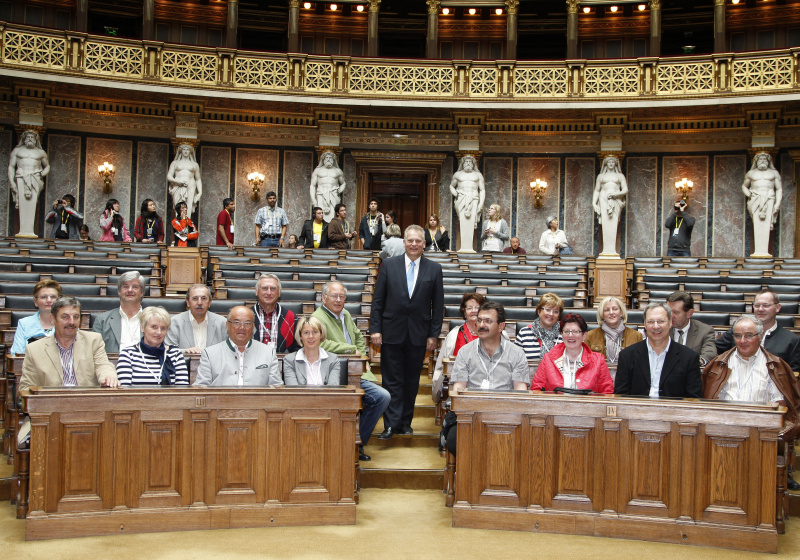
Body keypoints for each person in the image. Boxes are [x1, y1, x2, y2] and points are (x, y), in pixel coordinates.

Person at [704, 314, 800, 489]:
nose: (743, 341)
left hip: (760, 436)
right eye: (738, 336)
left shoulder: (775, 366)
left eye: (749, 335)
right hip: (722, 434)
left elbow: (781, 410)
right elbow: (707, 405)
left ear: (760, 336)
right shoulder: (718, 365)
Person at [370, 224, 444, 439]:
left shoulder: (434, 269)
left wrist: (433, 334)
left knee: (412, 379)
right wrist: (375, 329)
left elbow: (437, 307)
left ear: (424, 244)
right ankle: (391, 424)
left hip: (419, 334)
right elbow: (378, 301)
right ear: (404, 242)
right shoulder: (389, 265)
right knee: (391, 379)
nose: (413, 244)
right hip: (391, 331)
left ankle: (405, 422)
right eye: (410, 240)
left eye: (417, 241)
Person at [313, 281, 390, 461]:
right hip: (335, 374)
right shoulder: (318, 318)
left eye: (342, 297)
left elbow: (358, 337)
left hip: (355, 371)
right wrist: (349, 349)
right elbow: (321, 343)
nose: (338, 300)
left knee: (382, 397)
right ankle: (349, 444)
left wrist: (362, 357)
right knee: (379, 397)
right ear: (324, 297)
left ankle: (354, 444)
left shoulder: (345, 314)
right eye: (334, 296)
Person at [443, 301, 529, 455]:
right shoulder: (465, 352)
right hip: (471, 415)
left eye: (488, 321)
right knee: (455, 440)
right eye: (480, 320)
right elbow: (458, 391)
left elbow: (520, 393)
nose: (482, 325)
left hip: (505, 417)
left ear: (501, 326)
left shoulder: (516, 353)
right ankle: (469, 478)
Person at [20, 296, 119, 394]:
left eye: (75, 317)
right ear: (52, 319)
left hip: (86, 403)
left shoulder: (93, 340)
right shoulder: (34, 349)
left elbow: (103, 365)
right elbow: (26, 388)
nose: (71, 322)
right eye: (65, 317)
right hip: (51, 405)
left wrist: (108, 377)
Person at [614, 302, 702, 398]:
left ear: (670, 322)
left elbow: (693, 399)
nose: (656, 326)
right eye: (651, 322)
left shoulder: (689, 358)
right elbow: (621, 396)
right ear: (645, 324)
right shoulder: (627, 356)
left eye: (660, 321)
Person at [715, 288, 800, 372]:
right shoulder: (737, 332)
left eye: (766, 305)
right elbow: (715, 349)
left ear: (778, 307)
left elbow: (793, 376)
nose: (760, 309)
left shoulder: (792, 341)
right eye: (757, 305)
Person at [194, 306, 282, 386]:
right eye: (236, 322)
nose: (242, 327)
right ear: (227, 325)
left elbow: (276, 387)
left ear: (253, 327)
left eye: (247, 323)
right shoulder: (210, 354)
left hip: (257, 403)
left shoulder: (268, 353)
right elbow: (201, 387)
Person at [532, 313, 614, 394]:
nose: (570, 335)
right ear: (561, 334)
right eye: (566, 331)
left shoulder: (598, 360)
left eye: (575, 331)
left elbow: (607, 392)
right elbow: (536, 390)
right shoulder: (548, 359)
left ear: (584, 335)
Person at [432, 292, 486, 403]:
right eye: (470, 308)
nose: (474, 311)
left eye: (477, 307)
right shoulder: (454, 334)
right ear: (464, 312)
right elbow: (442, 366)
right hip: (460, 383)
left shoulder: (494, 333)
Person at [115, 306, 189, 386]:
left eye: (163, 328)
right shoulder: (128, 354)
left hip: (169, 399)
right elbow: (124, 391)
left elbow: (182, 390)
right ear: (142, 327)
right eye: (154, 327)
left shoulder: (175, 354)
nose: (159, 332)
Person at [92, 270, 146, 353]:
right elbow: (94, 352)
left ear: (142, 292)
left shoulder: (152, 320)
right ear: (119, 292)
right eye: (125, 287)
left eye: (135, 287)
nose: (130, 290)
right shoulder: (102, 320)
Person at [8, 129, 49, 238]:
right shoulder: (17, 151)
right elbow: (11, 167)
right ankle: (23, 231)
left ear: (36, 140)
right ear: (24, 139)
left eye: (32, 137)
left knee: (32, 203)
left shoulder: (40, 152)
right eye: (28, 137)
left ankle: (30, 232)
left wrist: (42, 174)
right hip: (21, 177)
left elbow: (47, 166)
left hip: (35, 178)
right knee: (22, 203)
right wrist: (12, 182)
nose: (30, 139)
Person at [165, 284, 228, 354]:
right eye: (195, 298)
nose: (199, 303)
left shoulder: (222, 323)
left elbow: (228, 351)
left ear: (209, 302)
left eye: (204, 298)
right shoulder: (174, 323)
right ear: (188, 302)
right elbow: (169, 351)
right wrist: (185, 351)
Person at [743, 151, 782, 257]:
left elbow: (779, 189)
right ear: (756, 161)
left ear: (769, 161)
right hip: (755, 199)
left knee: (765, 224)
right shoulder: (751, 173)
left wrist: (777, 203)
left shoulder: (774, 173)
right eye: (760, 159)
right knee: (757, 223)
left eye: (765, 159)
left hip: (769, 199)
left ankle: (764, 252)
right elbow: (744, 186)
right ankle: (758, 252)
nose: (763, 161)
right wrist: (749, 194)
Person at [283, 316, 340, 385]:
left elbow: (332, 390)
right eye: (306, 333)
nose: (311, 336)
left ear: (321, 335)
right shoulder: (290, 361)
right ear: (300, 336)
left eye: (315, 332)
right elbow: (293, 391)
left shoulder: (333, 360)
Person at [584, 295, 642, 363]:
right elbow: (586, 363)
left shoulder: (636, 336)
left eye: (615, 309)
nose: (611, 313)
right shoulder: (590, 336)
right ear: (602, 314)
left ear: (621, 313)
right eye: (607, 310)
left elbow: (639, 364)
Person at [10, 279, 61, 355]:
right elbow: (16, 354)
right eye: (43, 297)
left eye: (53, 297)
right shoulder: (24, 324)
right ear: (35, 302)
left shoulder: (69, 323)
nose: (49, 300)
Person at [666, 291, 716, 367]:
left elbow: (710, 353)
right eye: (669, 311)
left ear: (689, 313)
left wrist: (695, 362)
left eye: (676, 312)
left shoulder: (704, 331)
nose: (671, 316)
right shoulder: (661, 328)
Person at [251, 273, 299, 353]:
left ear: (279, 293)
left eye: (273, 288)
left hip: (282, 364)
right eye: (264, 288)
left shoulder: (291, 317)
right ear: (256, 291)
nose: (269, 292)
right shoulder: (246, 317)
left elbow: (298, 347)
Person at [593, 155, 628, 256]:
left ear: (616, 164)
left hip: (616, 201)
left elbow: (625, 190)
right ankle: (606, 251)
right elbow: (597, 190)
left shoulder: (620, 176)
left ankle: (612, 251)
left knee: (613, 224)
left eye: (613, 162)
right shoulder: (601, 176)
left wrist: (616, 195)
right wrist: (594, 203)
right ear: (606, 164)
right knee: (605, 223)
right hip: (603, 200)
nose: (611, 164)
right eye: (609, 162)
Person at [450, 154, 485, 253]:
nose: (468, 163)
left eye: (470, 162)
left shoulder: (478, 175)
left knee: (470, 222)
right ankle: (463, 248)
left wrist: (480, 204)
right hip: (461, 198)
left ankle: (469, 248)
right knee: (462, 221)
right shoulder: (458, 174)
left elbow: (482, 190)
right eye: (466, 162)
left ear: (473, 164)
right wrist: (455, 193)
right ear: (463, 163)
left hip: (474, 199)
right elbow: (451, 186)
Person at [514, 292, 564, 360]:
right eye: (548, 309)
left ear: (559, 316)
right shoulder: (524, 333)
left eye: (556, 311)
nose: (551, 314)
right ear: (539, 311)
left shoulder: (564, 335)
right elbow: (514, 360)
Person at [309, 151, 346, 223]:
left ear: (333, 160)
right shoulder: (317, 170)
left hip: (333, 195)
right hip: (321, 195)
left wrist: (340, 189)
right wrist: (313, 200)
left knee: (334, 216)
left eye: (330, 158)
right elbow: (312, 186)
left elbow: (343, 183)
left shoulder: (338, 171)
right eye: (326, 158)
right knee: (320, 215)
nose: (328, 159)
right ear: (323, 159)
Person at [167, 143, 202, 217]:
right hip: (177, 186)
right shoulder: (175, 163)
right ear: (180, 151)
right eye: (184, 149)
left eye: (188, 150)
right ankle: (178, 226)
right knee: (178, 208)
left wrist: (200, 192)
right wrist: (178, 182)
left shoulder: (194, 164)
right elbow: (169, 176)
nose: (186, 151)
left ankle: (187, 226)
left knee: (188, 207)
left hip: (190, 186)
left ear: (191, 151)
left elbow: (198, 179)